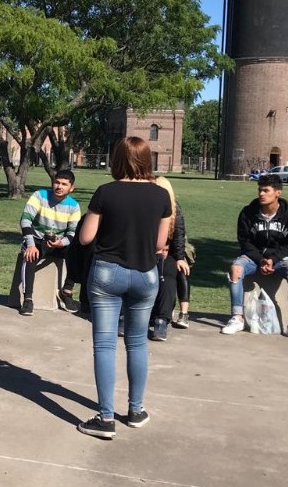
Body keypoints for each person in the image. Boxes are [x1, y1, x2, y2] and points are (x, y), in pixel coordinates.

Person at [77, 137, 171, 439]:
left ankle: (105, 418)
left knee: (105, 345)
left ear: (117, 159)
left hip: (108, 273)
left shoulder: (106, 192)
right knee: (137, 343)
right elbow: (159, 243)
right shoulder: (160, 195)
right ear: (147, 160)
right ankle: (135, 409)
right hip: (145, 274)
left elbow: (86, 238)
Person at [220, 175, 288, 342]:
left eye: (266, 190)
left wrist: (273, 260)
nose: (261, 193)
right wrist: (261, 259)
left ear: (278, 193)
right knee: (235, 270)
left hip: (281, 258)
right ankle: (237, 317)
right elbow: (244, 242)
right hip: (253, 257)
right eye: (260, 190)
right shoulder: (247, 212)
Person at [11, 170, 81, 316]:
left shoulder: (74, 206)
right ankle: (28, 299)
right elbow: (25, 220)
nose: (59, 186)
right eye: (57, 182)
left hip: (59, 242)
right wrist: (30, 244)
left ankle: (66, 292)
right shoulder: (39, 195)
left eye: (64, 184)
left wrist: (60, 243)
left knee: (78, 251)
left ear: (71, 188)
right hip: (37, 239)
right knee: (29, 255)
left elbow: (72, 233)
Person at [148, 177, 191, 342]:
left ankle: (162, 319)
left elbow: (179, 233)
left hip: (169, 251)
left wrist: (179, 257)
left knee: (168, 275)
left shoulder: (175, 208)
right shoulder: (144, 206)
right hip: (146, 252)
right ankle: (127, 315)